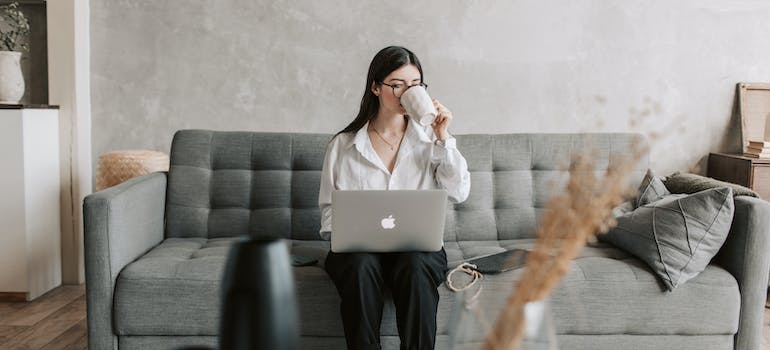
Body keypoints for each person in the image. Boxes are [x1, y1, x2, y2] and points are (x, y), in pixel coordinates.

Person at [318, 46, 471, 350]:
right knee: (360, 267)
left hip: (416, 250)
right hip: (358, 253)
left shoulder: (431, 141)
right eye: (397, 85)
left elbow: (458, 192)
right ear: (375, 87)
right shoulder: (343, 145)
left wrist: (444, 137)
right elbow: (329, 215)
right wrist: (349, 233)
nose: (407, 93)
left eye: (415, 85)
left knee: (416, 267)